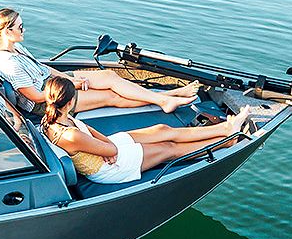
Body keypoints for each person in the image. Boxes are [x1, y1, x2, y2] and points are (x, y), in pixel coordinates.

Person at [0, 8, 201, 113]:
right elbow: (34, 96)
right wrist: (69, 85)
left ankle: (166, 97)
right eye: (20, 27)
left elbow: (42, 68)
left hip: (54, 83)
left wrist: (69, 78)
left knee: (109, 76)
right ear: (7, 31)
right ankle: (165, 99)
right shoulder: (9, 63)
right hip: (47, 100)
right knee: (111, 96)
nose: (24, 30)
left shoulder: (16, 48)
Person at [38, 76, 257, 185]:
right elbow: (109, 149)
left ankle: (226, 127)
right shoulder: (68, 134)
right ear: (68, 103)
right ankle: (226, 141)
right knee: (168, 148)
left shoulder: (56, 117)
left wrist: (105, 144)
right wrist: (109, 149)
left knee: (162, 129)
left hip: (102, 150)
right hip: (107, 169)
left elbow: (92, 133)